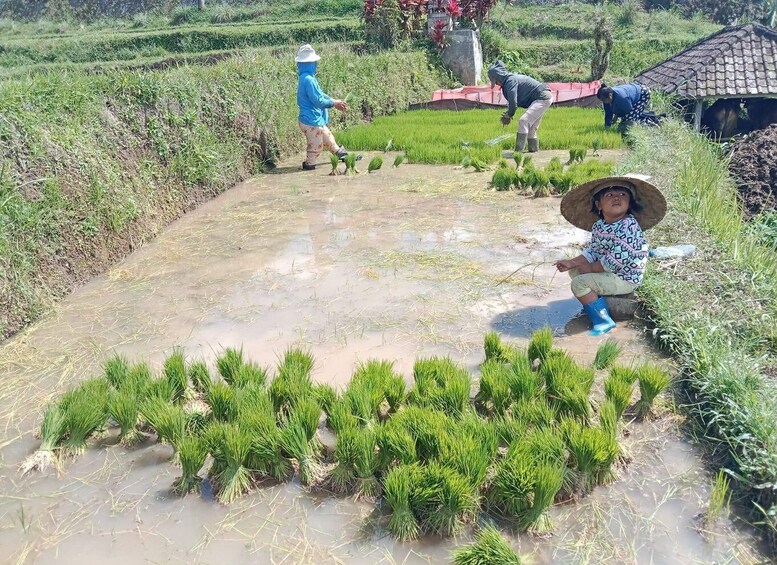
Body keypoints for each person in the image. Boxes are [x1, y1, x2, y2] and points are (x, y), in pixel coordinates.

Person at [554, 175, 666, 336]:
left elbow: (614, 261)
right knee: (575, 271)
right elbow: (594, 251)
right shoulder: (599, 226)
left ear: (629, 203)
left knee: (578, 284)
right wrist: (572, 263)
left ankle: (603, 320)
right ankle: (596, 297)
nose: (616, 198)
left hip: (625, 277)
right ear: (598, 205)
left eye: (622, 195)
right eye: (609, 195)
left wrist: (590, 268)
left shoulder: (629, 226)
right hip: (610, 271)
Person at [296, 44, 349, 171]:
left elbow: (321, 94)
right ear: (309, 63)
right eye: (314, 62)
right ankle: (309, 166)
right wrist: (334, 104)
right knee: (315, 147)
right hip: (310, 121)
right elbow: (318, 101)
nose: (315, 64)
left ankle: (343, 156)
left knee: (329, 139)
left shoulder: (309, 78)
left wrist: (334, 100)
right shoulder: (308, 79)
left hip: (315, 119)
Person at [487, 60, 553, 153]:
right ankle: (533, 151)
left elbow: (513, 103)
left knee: (523, 121)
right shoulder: (508, 81)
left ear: (498, 77)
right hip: (542, 98)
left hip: (542, 98)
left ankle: (518, 152)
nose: (496, 84)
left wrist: (509, 115)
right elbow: (511, 102)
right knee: (531, 127)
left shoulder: (510, 81)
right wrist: (508, 113)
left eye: (495, 81)